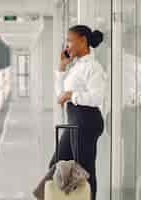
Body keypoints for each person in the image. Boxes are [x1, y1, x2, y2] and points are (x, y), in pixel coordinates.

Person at [49, 25, 107, 200]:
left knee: (85, 168)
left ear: (83, 41)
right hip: (76, 120)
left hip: (87, 120)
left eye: (70, 40)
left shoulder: (93, 67)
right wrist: (62, 67)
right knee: (60, 165)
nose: (67, 45)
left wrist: (71, 95)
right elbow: (60, 96)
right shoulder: (75, 67)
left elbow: (97, 98)